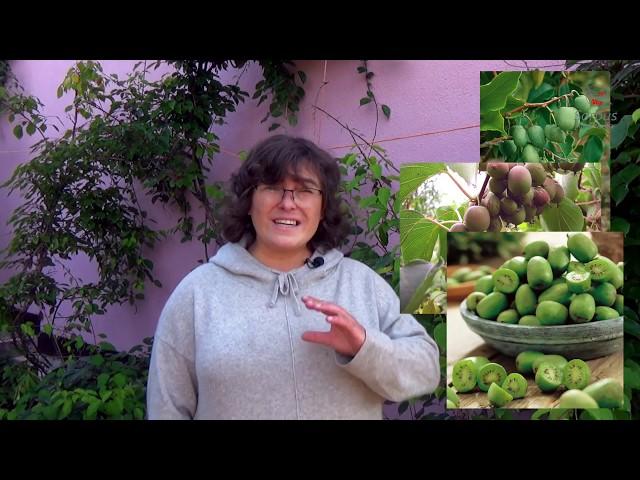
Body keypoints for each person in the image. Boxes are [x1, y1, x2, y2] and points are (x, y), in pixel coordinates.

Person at [146, 135, 440, 419]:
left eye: (305, 190)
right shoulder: (198, 293)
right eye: (273, 187)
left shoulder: (362, 285)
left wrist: (363, 346)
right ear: (249, 201)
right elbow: (166, 409)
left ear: (322, 207)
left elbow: (425, 371)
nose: (288, 203)